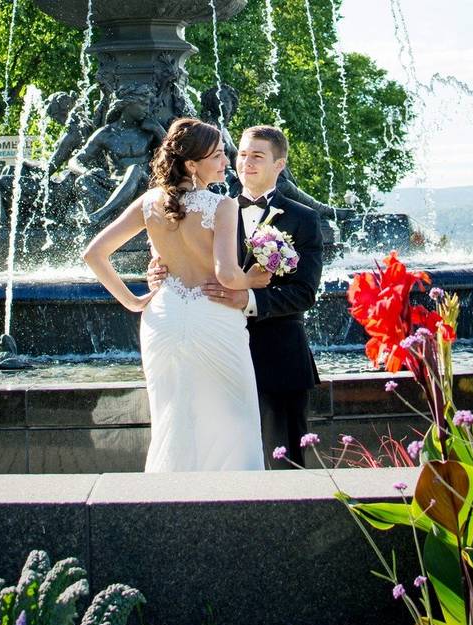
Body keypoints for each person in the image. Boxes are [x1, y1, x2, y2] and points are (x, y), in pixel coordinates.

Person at [83, 118, 271, 472]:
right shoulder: (223, 206)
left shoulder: (149, 202)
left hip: (163, 317)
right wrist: (258, 278)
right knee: (235, 416)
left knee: (172, 414)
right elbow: (227, 275)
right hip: (213, 316)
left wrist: (134, 301)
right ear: (191, 164)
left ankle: (169, 503)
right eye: (217, 156)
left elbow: (94, 254)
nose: (225, 163)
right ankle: (240, 503)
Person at [151, 125, 325, 470]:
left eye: (257, 156)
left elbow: (304, 293)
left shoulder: (304, 219)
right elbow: (175, 255)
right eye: (241, 154)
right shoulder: (208, 207)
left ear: (280, 164)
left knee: (285, 467)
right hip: (210, 349)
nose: (245, 162)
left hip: (277, 358)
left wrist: (246, 300)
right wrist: (158, 272)